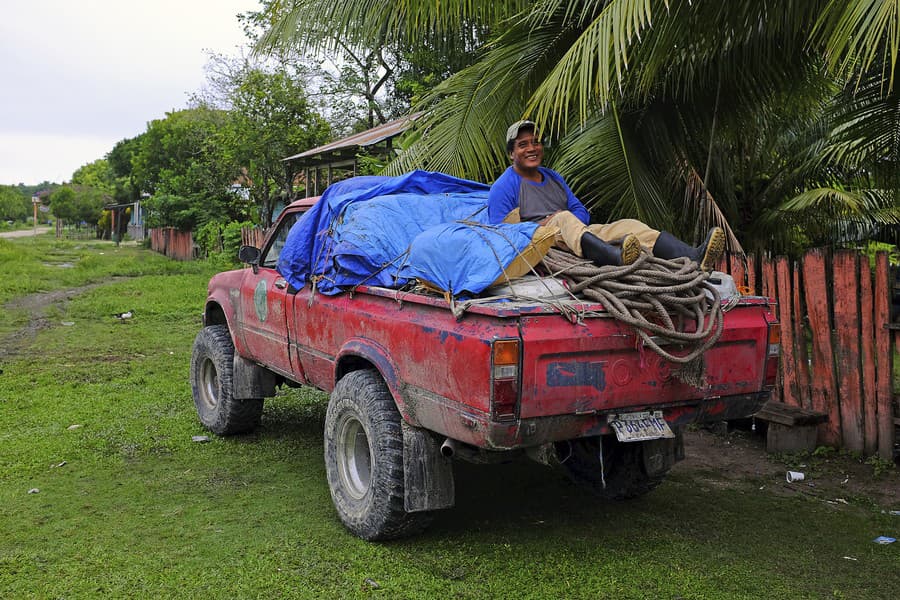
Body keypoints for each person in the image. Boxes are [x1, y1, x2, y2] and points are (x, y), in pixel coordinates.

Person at [488, 120, 725, 270]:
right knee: (563, 219)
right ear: (512, 153)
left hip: (575, 233)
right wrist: (545, 224)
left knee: (627, 225)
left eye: (536, 142)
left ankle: (693, 256)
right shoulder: (504, 186)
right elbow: (502, 234)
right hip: (543, 243)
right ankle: (616, 258)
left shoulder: (553, 177)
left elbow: (580, 211)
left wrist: (565, 220)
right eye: (523, 144)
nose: (532, 148)